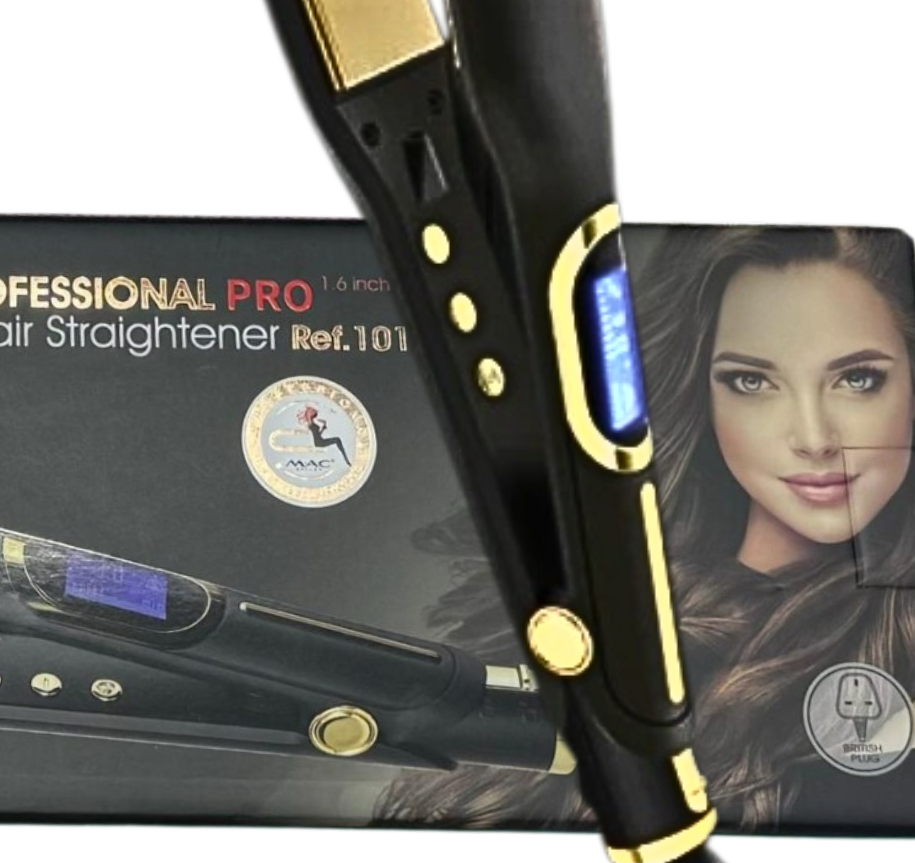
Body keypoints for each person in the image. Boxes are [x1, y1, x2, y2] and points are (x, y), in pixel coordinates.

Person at [378, 226, 915, 829]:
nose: (814, 439)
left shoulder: (894, 630)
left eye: (858, 379)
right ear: (701, 394)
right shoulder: (596, 610)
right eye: (751, 381)